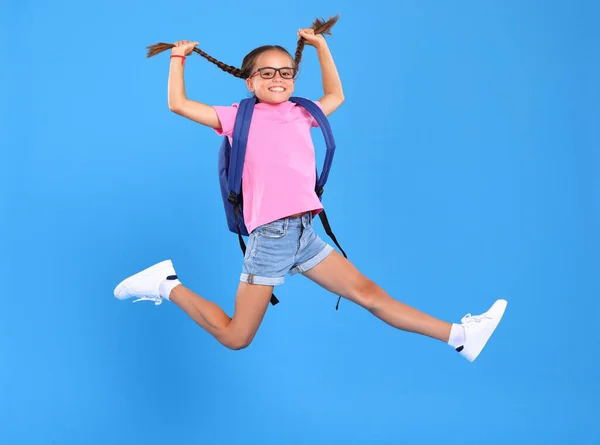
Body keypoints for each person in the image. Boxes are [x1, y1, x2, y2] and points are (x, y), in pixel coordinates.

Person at [114, 22, 507, 362]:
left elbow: (336, 96)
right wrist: (177, 58)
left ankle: (461, 337)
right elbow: (178, 105)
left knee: (370, 295)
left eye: (286, 73)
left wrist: (321, 46)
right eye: (267, 74)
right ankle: (166, 284)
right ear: (249, 81)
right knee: (236, 338)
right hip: (271, 237)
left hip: (303, 232)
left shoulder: (302, 112)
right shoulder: (237, 116)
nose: (278, 80)